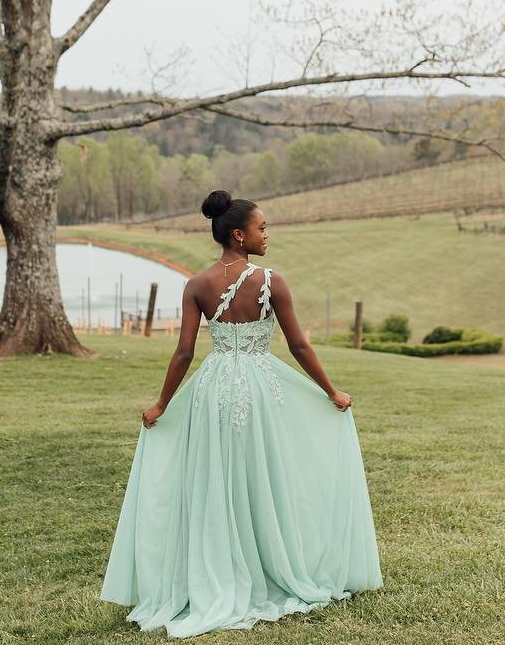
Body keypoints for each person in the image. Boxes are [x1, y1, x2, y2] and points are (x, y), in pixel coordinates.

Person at [99, 189, 383, 637]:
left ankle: (217, 569)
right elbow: (299, 345)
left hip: (212, 392)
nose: (267, 234)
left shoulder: (196, 285)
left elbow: (184, 353)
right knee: (262, 475)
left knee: (216, 478)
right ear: (239, 234)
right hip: (260, 390)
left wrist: (162, 404)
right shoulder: (272, 281)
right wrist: (331, 391)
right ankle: (267, 566)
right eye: (262, 227)